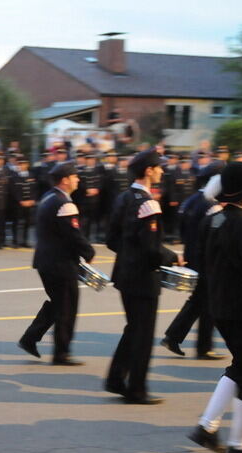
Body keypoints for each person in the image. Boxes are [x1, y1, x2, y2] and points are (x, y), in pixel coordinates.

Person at [104, 148, 181, 405]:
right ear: (148, 171)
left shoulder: (125, 197)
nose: (161, 171)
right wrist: (174, 257)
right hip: (142, 278)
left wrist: (129, 255)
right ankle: (137, 389)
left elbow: (112, 239)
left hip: (125, 275)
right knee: (142, 334)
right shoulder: (149, 204)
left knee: (133, 328)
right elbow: (152, 248)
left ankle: (116, 378)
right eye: (158, 167)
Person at [187, 161, 242, 453]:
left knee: (240, 367)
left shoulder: (216, 219)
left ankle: (207, 427)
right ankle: (238, 445)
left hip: (220, 306)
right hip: (240, 308)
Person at [18, 162, 95, 365]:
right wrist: (88, 251)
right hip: (60, 264)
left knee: (58, 303)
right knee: (67, 307)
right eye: (75, 176)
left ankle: (29, 339)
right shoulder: (64, 203)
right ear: (65, 180)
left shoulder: (48, 197)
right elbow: (72, 233)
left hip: (46, 262)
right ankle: (61, 353)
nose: (78, 179)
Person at [161, 161, 225, 360]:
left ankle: (173, 337)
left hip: (192, 255)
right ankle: (203, 347)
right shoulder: (213, 206)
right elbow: (216, 233)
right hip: (206, 259)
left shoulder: (191, 200)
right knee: (207, 303)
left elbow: (181, 228)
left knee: (198, 301)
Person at [9, 158, 37, 248]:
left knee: (27, 223)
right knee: (16, 223)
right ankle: (15, 241)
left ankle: (24, 241)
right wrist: (21, 201)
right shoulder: (14, 177)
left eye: (23, 164)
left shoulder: (32, 175)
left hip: (29, 203)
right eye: (19, 164)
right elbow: (13, 191)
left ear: (27, 165)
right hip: (18, 204)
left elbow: (35, 189)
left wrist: (33, 199)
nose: (21, 166)